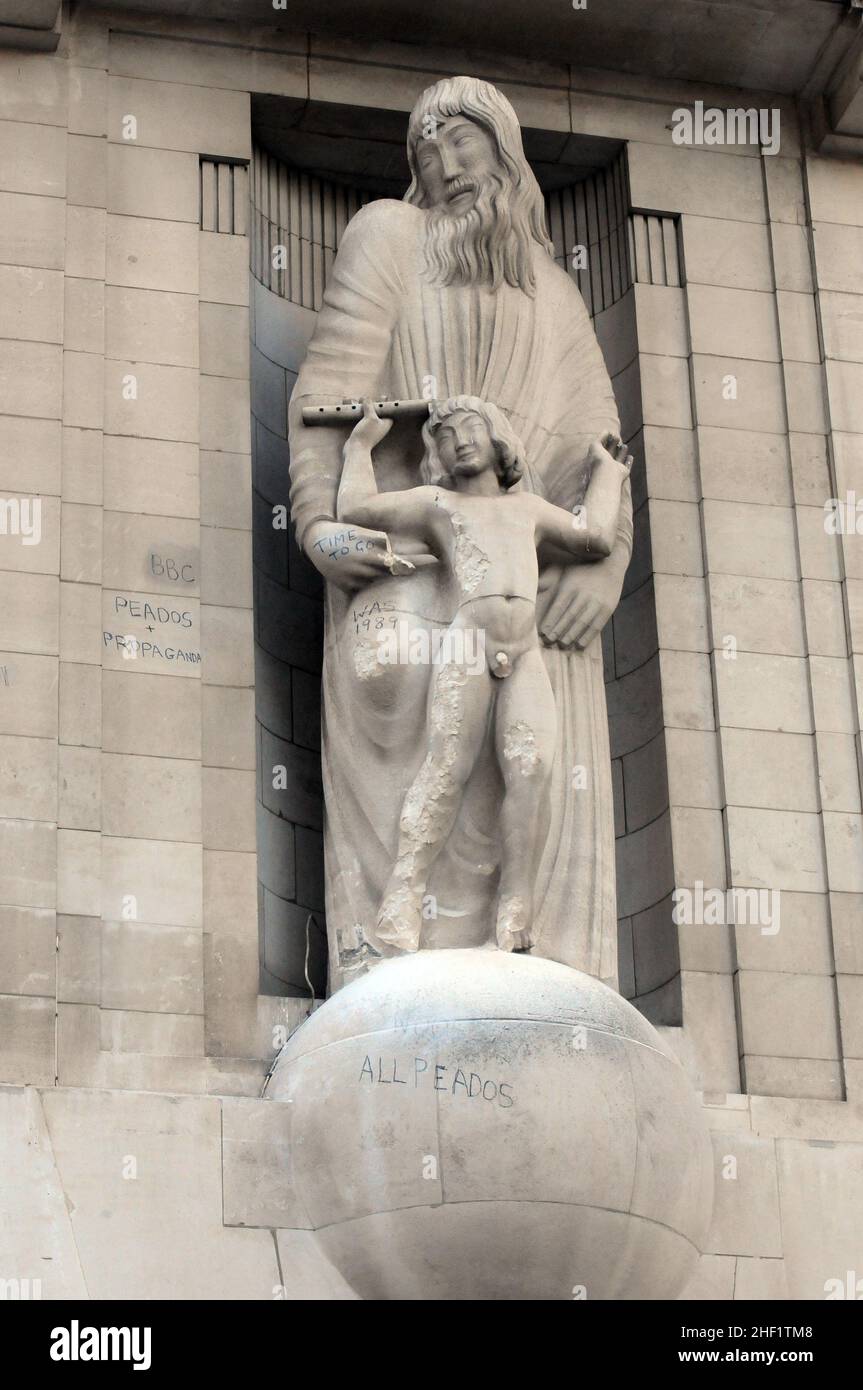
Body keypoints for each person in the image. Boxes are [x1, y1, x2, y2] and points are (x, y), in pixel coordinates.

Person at [288, 75, 633, 987]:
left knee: (533, 770)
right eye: (425, 151)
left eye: (461, 141)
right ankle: (391, 949)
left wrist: (605, 567)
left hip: (530, 588)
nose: (443, 166)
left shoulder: (556, 292)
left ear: (503, 146)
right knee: (429, 753)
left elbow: (602, 448)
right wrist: (319, 525)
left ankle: (523, 949)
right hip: (410, 565)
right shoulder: (387, 237)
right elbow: (325, 403)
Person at [337, 397, 632, 954]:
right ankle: (403, 898)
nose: (459, 441)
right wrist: (360, 444)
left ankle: (515, 911)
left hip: (524, 649)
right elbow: (356, 507)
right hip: (469, 642)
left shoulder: (529, 509)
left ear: (498, 435)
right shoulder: (436, 503)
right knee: (449, 765)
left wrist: (608, 473)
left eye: (470, 427)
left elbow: (594, 535)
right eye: (444, 436)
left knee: (532, 768)